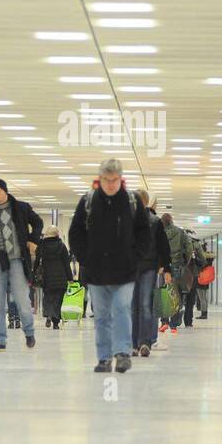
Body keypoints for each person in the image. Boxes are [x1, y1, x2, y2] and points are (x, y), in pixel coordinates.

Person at [68, 158, 151, 372]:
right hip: (96, 271)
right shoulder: (87, 202)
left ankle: (123, 352)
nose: (111, 184)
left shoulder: (132, 202)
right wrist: (85, 258)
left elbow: (144, 233)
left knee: (122, 308)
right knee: (102, 315)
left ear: (120, 179)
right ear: (100, 179)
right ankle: (104, 358)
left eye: (115, 180)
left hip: (125, 270)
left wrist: (136, 257)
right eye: (106, 179)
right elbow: (75, 232)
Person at [0, 178, 44, 351]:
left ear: (5, 191)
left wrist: (33, 240)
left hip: (16, 260)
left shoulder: (21, 208)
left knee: (21, 299)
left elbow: (38, 222)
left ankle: (29, 332)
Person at [132, 190, 172, 355]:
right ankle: (137, 343)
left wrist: (167, 268)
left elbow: (163, 247)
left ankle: (143, 343)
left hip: (146, 268)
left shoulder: (154, 221)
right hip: (136, 268)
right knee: (137, 306)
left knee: (142, 305)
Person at [158, 211, 195, 334]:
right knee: (176, 295)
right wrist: (185, 262)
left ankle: (164, 322)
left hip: (163, 268)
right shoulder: (180, 232)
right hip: (177, 267)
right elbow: (189, 248)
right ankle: (173, 325)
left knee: (164, 293)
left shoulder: (159, 232)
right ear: (171, 221)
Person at [35, 225, 73, 329]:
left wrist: (33, 274)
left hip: (46, 277)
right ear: (57, 234)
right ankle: (55, 323)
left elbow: (37, 261)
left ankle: (48, 315)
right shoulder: (61, 246)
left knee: (47, 297)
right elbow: (66, 263)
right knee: (58, 300)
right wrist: (70, 278)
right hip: (60, 277)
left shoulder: (41, 245)